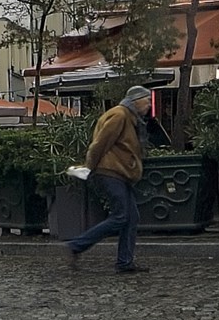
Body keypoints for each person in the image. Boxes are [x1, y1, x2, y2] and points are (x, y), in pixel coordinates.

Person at [64, 85, 153, 274]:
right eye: (147, 100)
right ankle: (77, 245)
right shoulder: (120, 115)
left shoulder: (128, 117)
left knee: (131, 217)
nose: (149, 105)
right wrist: (89, 167)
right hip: (110, 172)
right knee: (121, 216)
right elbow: (100, 143)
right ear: (136, 100)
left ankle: (124, 262)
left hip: (119, 173)